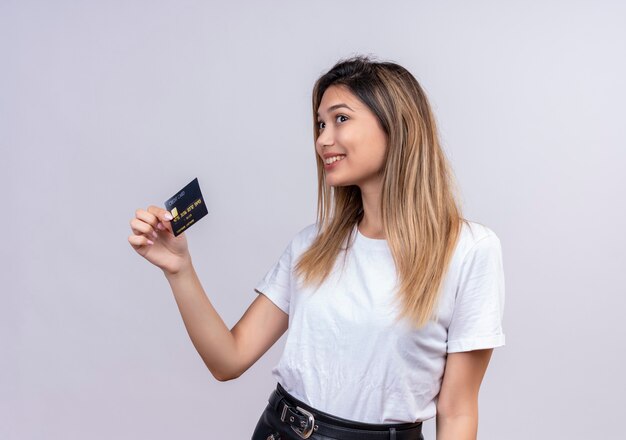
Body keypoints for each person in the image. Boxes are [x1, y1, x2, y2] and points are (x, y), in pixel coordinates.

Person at [128, 55, 506, 440]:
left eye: (340, 119)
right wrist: (179, 268)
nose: (323, 139)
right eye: (320, 123)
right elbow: (228, 360)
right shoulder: (313, 246)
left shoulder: (469, 251)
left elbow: (458, 411)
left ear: (397, 125)